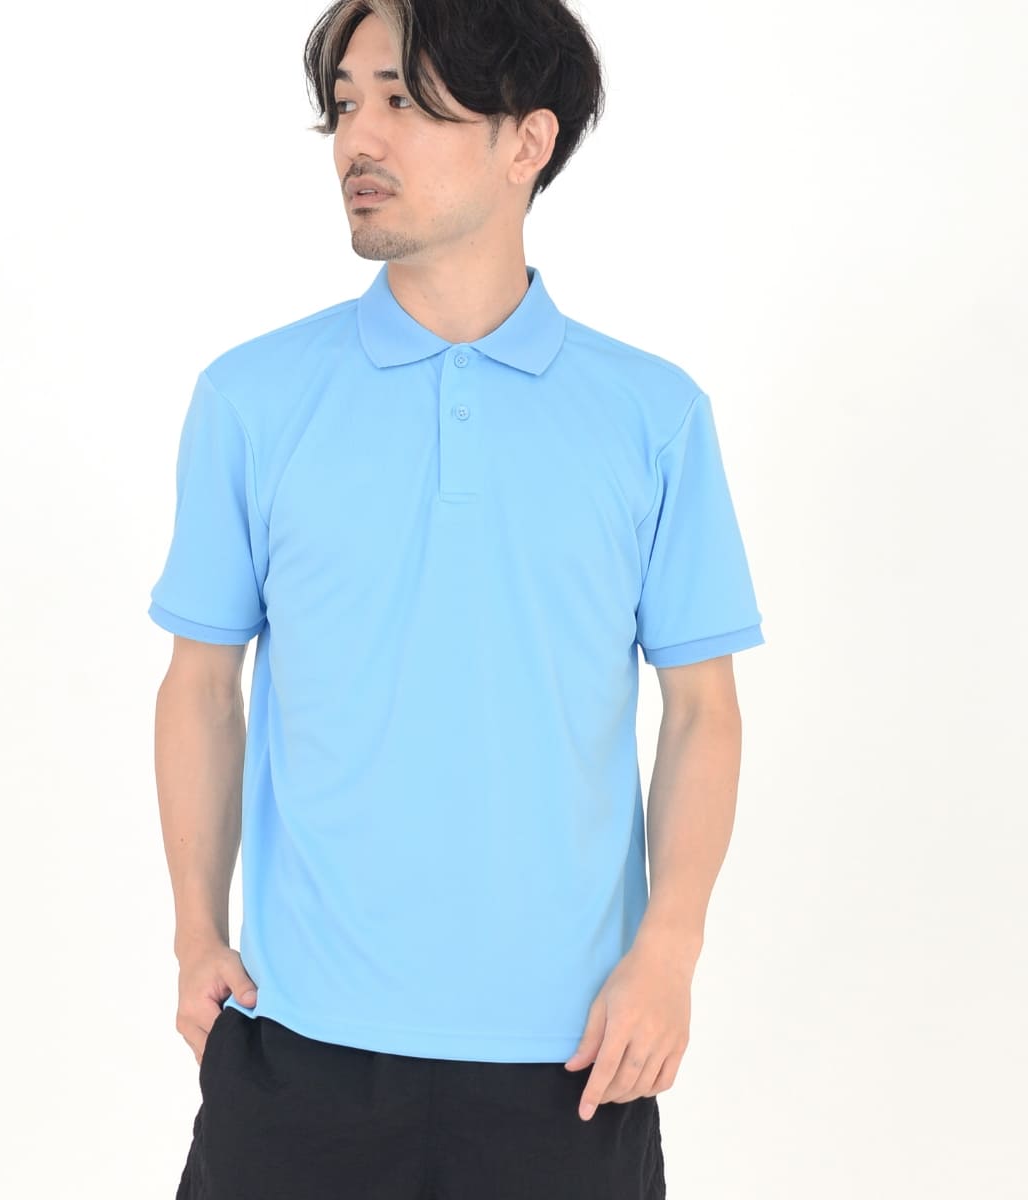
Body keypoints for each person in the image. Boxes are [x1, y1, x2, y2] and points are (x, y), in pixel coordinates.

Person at [149, 2, 764, 1196]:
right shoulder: (251, 400)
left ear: (526, 141)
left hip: (572, 1059)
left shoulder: (653, 416)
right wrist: (193, 930)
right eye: (345, 105)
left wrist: (670, 951)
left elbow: (703, 710)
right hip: (297, 1040)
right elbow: (203, 686)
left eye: (404, 101)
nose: (358, 139)